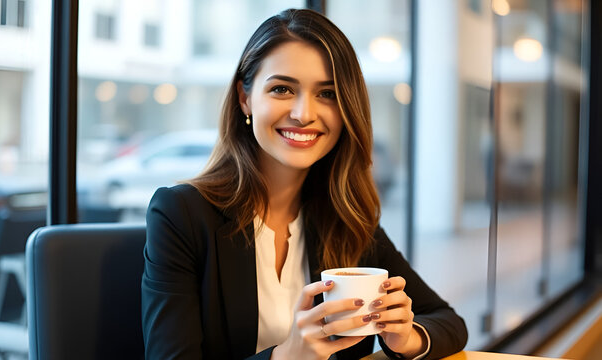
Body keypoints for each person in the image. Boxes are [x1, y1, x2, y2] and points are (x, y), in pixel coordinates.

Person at [141, 8, 467, 360]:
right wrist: (285, 356)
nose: (303, 113)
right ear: (244, 98)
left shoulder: (346, 220)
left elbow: (448, 321)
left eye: (327, 94)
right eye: (282, 89)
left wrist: (407, 337)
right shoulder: (182, 215)